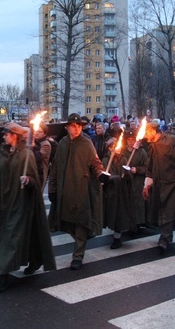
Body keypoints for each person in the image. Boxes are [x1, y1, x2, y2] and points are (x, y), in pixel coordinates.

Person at [0, 122, 56, 292]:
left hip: (20, 203)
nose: (3, 136)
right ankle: (34, 260)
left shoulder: (27, 155)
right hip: (5, 203)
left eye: (6, 134)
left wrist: (28, 181)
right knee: (24, 235)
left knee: (10, 238)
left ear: (15, 135)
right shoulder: (4, 153)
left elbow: (35, 178)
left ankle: (2, 274)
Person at [48, 113, 109, 270]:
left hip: (81, 190)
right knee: (66, 223)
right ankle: (83, 237)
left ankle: (78, 256)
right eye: (73, 126)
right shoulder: (62, 143)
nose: (76, 129)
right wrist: (52, 188)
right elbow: (54, 168)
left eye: (79, 126)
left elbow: (96, 163)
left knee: (80, 222)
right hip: (64, 191)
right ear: (67, 127)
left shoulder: (86, 143)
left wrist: (101, 174)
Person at [142, 121, 175, 253]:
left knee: (169, 210)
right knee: (160, 209)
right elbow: (149, 167)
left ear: (153, 130)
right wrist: (147, 185)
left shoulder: (171, 140)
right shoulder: (152, 146)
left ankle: (164, 238)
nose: (145, 135)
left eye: (146, 132)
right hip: (158, 183)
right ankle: (167, 235)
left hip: (172, 183)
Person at [101, 138, 131, 249]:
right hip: (111, 191)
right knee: (112, 213)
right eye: (114, 146)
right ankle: (114, 233)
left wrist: (127, 173)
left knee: (120, 214)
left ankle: (117, 238)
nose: (118, 148)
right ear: (110, 148)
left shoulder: (123, 158)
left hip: (122, 191)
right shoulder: (105, 160)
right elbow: (105, 176)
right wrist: (113, 178)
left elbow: (128, 178)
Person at [120, 129, 148, 235]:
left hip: (137, 181)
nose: (131, 141)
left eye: (133, 139)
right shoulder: (122, 151)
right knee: (126, 201)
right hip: (125, 180)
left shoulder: (141, 152)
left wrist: (137, 170)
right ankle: (126, 222)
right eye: (129, 139)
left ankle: (137, 223)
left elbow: (147, 167)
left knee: (137, 202)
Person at [32, 122, 52, 191]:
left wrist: (33, 147)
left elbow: (38, 157)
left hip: (41, 173)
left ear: (45, 134)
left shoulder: (46, 145)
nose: (37, 133)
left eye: (40, 132)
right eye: (36, 131)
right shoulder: (34, 142)